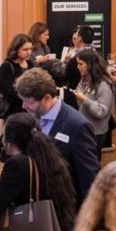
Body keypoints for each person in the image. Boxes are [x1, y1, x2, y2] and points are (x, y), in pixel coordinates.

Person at [15, 67, 99, 206]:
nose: (24, 106)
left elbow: (89, 179)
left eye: (29, 102)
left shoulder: (77, 126)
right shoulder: (31, 118)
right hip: (36, 206)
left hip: (65, 208)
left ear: (47, 98)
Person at [72, 48, 115, 152]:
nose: (78, 67)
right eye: (77, 64)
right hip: (85, 130)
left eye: (81, 64)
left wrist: (84, 99)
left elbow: (101, 112)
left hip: (96, 133)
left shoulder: (103, 85)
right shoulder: (84, 79)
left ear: (90, 65)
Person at [0, 34, 34, 119]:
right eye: (25, 49)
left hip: (29, 110)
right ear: (16, 49)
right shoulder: (7, 66)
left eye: (30, 49)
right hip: (13, 111)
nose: (29, 52)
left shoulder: (30, 64)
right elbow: (8, 92)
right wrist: (27, 97)